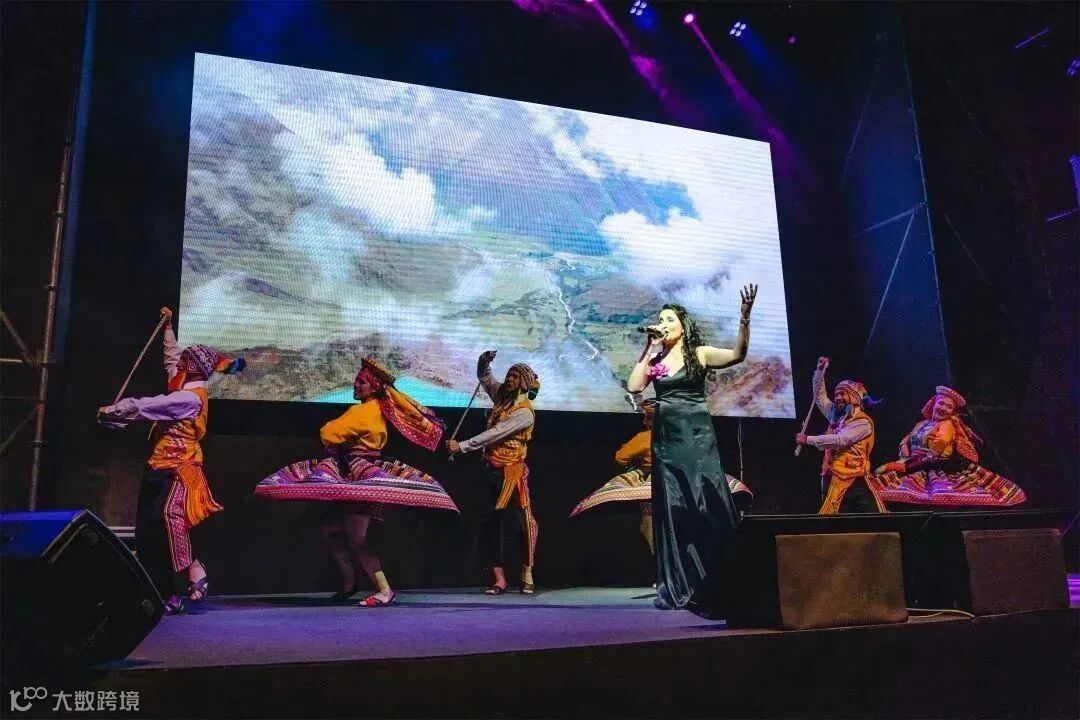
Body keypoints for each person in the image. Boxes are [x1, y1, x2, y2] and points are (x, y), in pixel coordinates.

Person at [255, 357, 457, 607]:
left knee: (357, 539)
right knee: (330, 530)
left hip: (359, 474)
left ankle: (384, 591)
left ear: (374, 387)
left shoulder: (362, 411)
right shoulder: (379, 410)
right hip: (359, 474)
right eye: (357, 380)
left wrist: (338, 442)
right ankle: (350, 582)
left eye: (362, 382)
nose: (356, 385)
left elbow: (328, 432)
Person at [97, 307, 245, 614]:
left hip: (181, 468)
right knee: (146, 530)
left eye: (182, 362)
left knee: (166, 519)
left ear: (191, 369)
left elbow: (144, 406)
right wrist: (167, 326)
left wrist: (114, 411)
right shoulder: (184, 383)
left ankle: (192, 569)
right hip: (158, 465)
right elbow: (171, 358)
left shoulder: (188, 399)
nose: (176, 364)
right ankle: (163, 593)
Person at [625, 285, 756, 616]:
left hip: (697, 437)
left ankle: (722, 575)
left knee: (705, 500)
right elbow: (634, 386)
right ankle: (680, 582)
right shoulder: (656, 359)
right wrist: (649, 347)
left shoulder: (700, 353)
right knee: (675, 506)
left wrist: (744, 318)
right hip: (667, 440)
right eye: (661, 320)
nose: (664, 324)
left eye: (670, 319)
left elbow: (737, 355)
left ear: (683, 325)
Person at [570, 399, 754, 558]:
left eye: (648, 418)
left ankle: (662, 569)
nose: (644, 421)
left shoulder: (644, 438)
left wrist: (639, 460)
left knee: (650, 527)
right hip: (683, 484)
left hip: (654, 484)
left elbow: (620, 457)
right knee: (683, 526)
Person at [446, 351, 540, 595]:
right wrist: (483, 361)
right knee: (489, 523)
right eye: (508, 375)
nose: (509, 379)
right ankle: (499, 579)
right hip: (490, 469)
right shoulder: (502, 397)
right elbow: (485, 378)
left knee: (521, 524)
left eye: (515, 377)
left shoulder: (524, 413)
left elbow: (495, 433)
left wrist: (462, 446)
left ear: (524, 383)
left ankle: (527, 570)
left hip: (512, 473)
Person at [869, 386, 1026, 507]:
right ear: (933, 404)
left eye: (949, 407)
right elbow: (909, 439)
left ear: (952, 412)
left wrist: (905, 466)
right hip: (913, 464)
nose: (943, 408)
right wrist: (904, 450)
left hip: (933, 466)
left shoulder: (946, 425)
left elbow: (937, 450)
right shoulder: (922, 423)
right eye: (941, 403)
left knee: (930, 498)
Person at [794, 357, 886, 514]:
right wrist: (819, 371)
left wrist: (808, 439)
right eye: (836, 395)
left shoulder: (863, 422)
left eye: (842, 394)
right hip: (834, 476)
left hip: (855, 478)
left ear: (854, 397)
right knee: (833, 518)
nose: (837, 398)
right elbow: (820, 398)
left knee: (871, 517)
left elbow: (840, 440)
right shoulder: (836, 416)